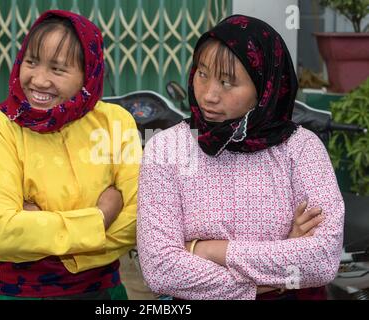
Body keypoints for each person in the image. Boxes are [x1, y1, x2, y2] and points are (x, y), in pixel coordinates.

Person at [136, 14, 344, 300]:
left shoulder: (301, 149)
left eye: (227, 82)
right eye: (202, 73)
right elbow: (161, 268)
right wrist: (276, 277)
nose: (208, 95)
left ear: (264, 88)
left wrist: (208, 250)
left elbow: (322, 258)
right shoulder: (166, 149)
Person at [0, 10, 141, 300]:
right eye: (31, 62)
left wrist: (42, 228)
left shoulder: (115, 123)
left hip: (101, 294)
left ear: (88, 74)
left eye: (58, 69)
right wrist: (99, 218)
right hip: (15, 294)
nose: (39, 80)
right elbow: (2, 233)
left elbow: (138, 218)